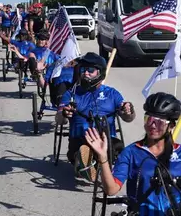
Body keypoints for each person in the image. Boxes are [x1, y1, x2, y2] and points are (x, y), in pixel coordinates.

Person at [55, 52, 135, 181]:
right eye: (83, 69)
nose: (85, 73)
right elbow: (59, 120)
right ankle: (87, 162)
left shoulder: (112, 94)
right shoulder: (71, 94)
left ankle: (98, 164)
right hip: (80, 139)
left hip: (107, 140)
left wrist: (128, 111)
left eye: (90, 70)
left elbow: (128, 118)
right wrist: (64, 113)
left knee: (119, 147)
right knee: (82, 149)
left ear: (100, 73)